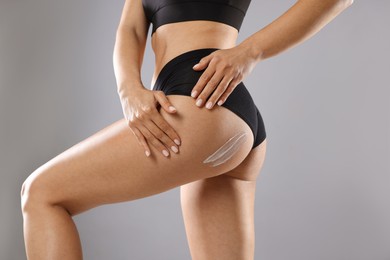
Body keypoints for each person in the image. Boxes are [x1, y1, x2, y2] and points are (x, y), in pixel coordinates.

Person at [20, 0, 353, 259]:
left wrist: (250, 51)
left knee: (41, 193)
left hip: (200, 104)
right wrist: (129, 90)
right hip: (213, 116)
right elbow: (131, 30)